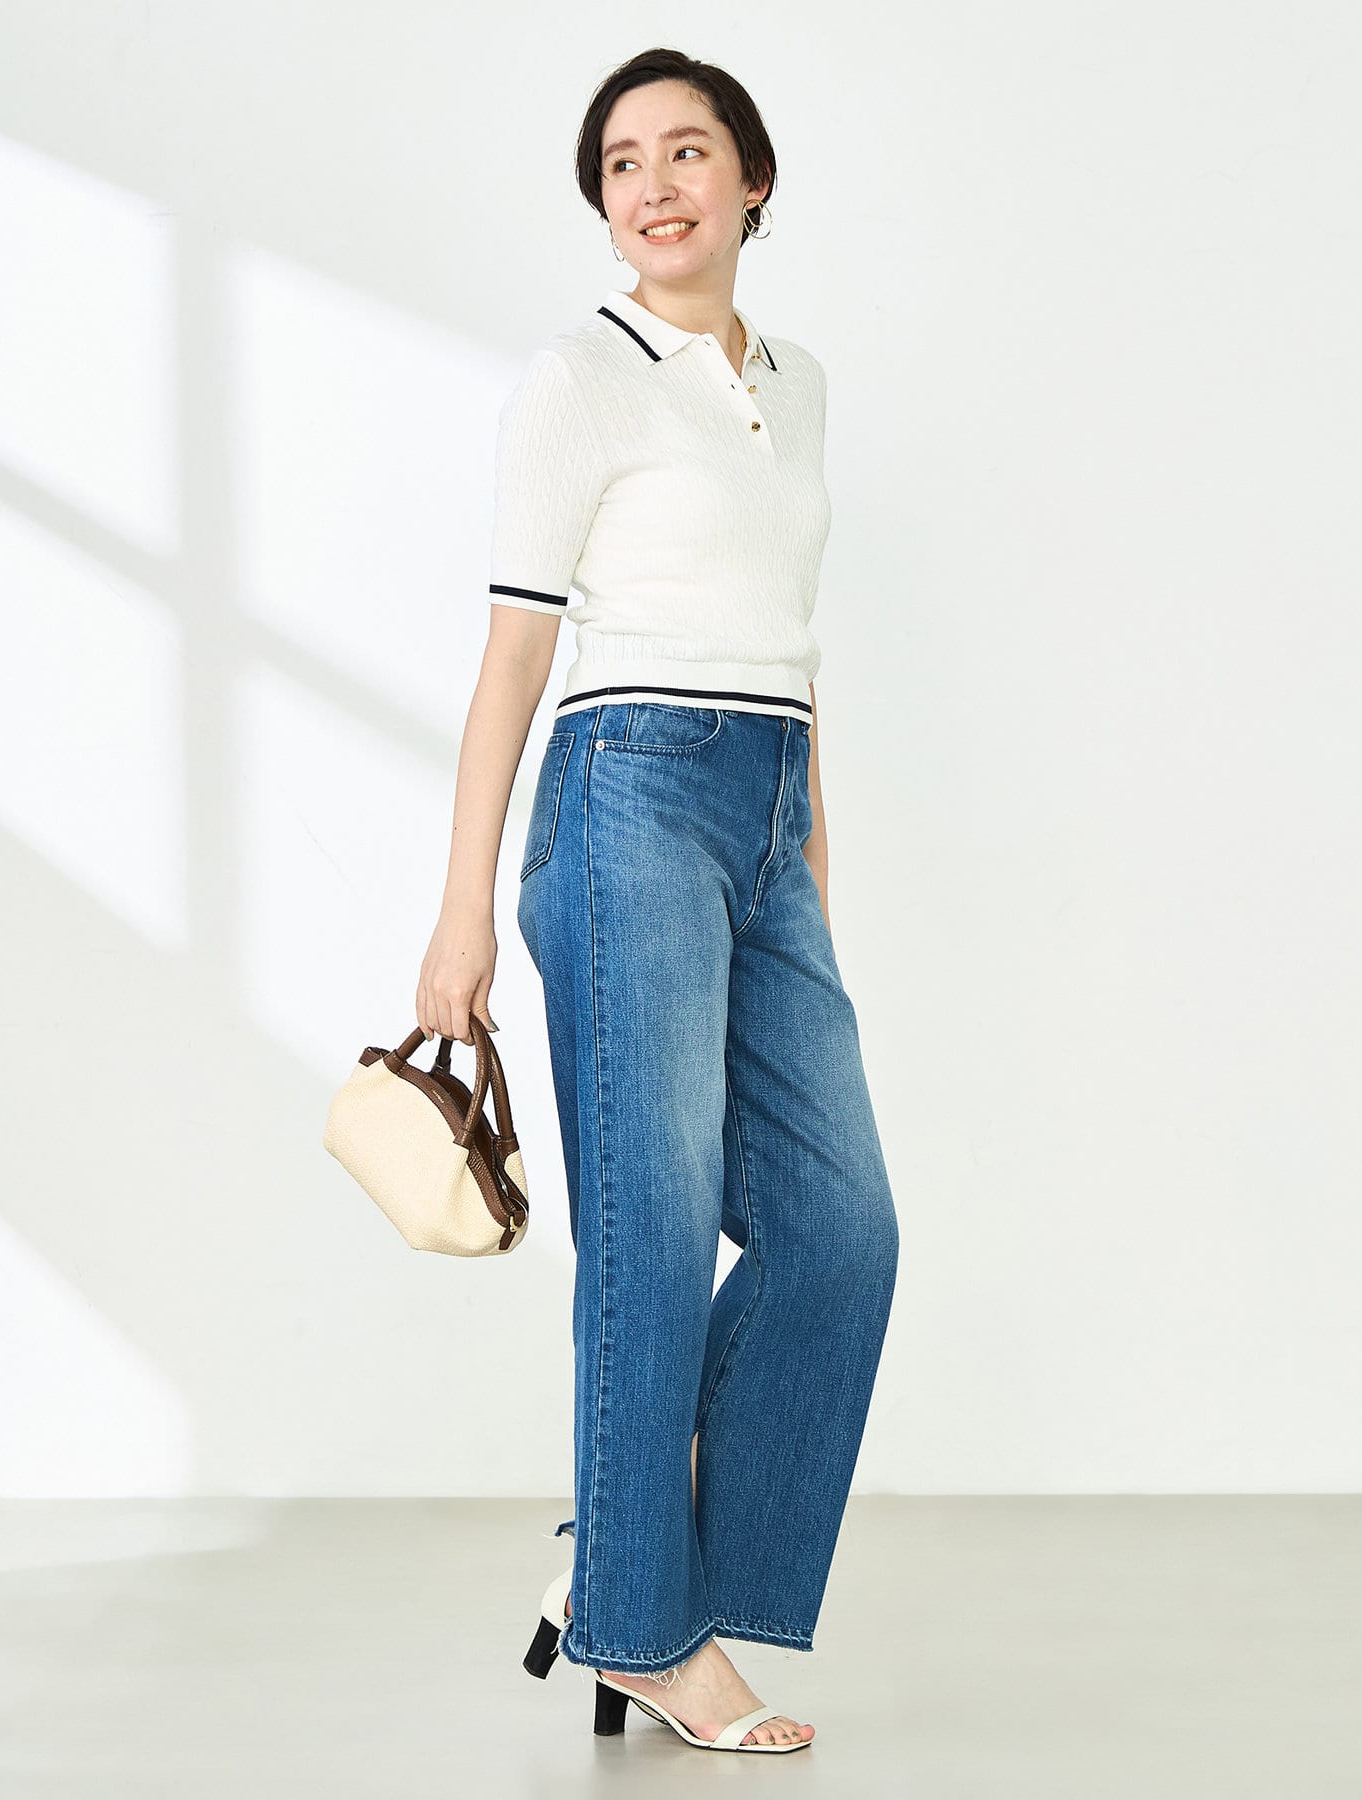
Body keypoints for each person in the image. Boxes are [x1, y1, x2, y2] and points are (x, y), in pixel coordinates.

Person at [416, 47, 899, 1754]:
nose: (655, 184)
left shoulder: (798, 385)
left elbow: (793, 642)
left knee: (841, 1230)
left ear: (752, 179)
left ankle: (624, 1560)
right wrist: (462, 912)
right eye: (622, 163)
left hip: (765, 806)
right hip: (623, 796)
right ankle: (647, 1631)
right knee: (655, 1224)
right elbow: (514, 660)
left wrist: (810, 859)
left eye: (687, 151)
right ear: (605, 205)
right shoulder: (578, 380)